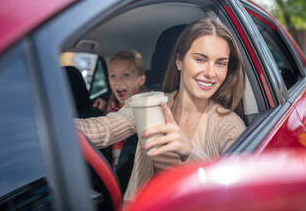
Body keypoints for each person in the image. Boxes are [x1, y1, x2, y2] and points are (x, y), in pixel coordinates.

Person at [75, 18, 246, 202]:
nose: (211, 73)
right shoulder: (149, 104)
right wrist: (45, 124)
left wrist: (190, 152)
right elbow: (102, 130)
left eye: (220, 63)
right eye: (200, 59)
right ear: (179, 62)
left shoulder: (229, 126)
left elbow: (237, 195)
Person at [93, 50, 146, 169]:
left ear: (141, 80)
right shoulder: (109, 108)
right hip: (116, 171)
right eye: (113, 76)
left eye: (126, 75)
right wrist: (101, 113)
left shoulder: (148, 106)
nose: (118, 81)